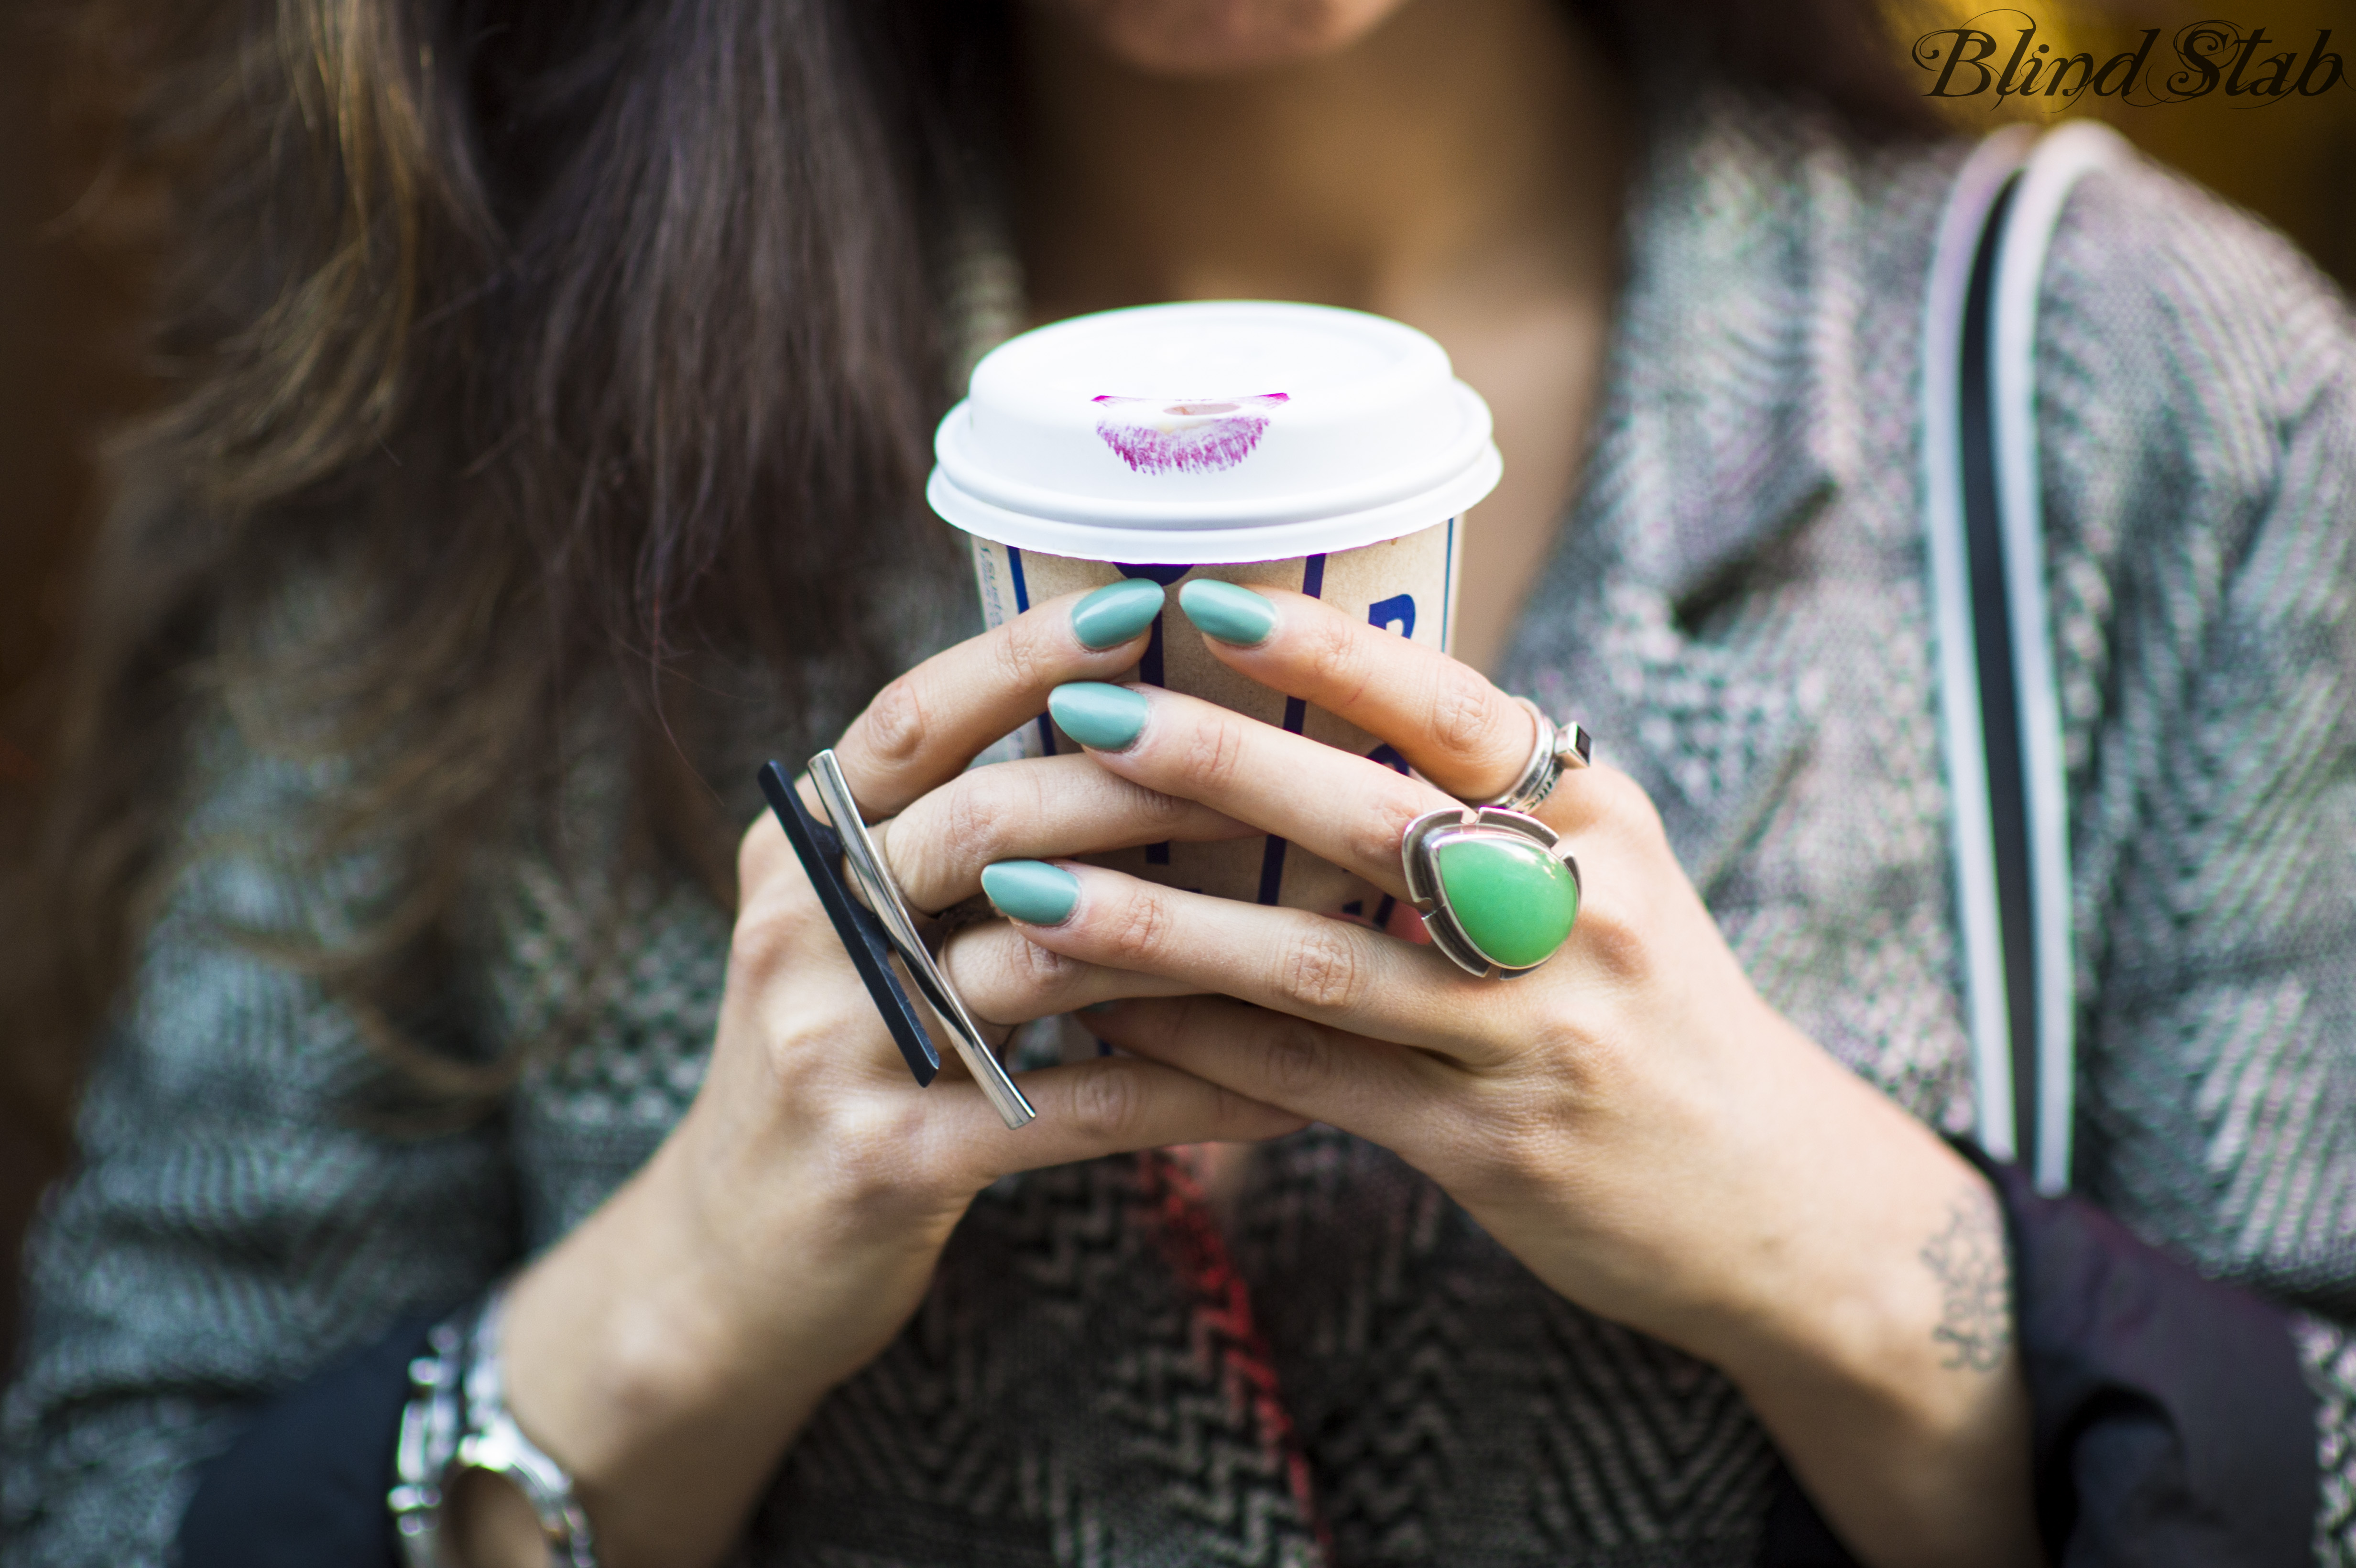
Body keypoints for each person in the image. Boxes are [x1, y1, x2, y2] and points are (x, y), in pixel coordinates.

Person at [3, 0, 2351, 1564]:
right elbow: (117, 1481)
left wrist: (1851, 1255)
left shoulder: (2150, 402)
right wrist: (669, 1302)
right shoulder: (473, 391)